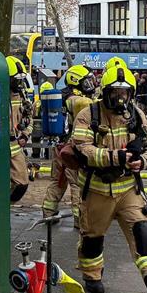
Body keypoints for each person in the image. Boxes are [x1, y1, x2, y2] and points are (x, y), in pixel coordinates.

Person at [65, 65, 147, 293]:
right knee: (92, 237)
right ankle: (92, 275)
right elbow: (83, 148)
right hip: (97, 189)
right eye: (116, 93)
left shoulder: (137, 115)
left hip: (128, 188)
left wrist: (143, 161)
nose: (121, 98)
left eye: (125, 93)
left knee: (143, 230)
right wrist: (113, 157)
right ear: (105, 91)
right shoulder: (88, 115)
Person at [42, 64, 95, 227]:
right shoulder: (76, 100)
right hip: (71, 148)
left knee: (57, 181)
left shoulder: (61, 97)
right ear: (77, 81)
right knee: (77, 183)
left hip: (59, 146)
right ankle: (80, 219)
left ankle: (48, 212)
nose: (90, 84)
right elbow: (89, 106)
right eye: (87, 81)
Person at [8, 56, 32, 202]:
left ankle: (4, 210)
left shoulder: (21, 95)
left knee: (21, 184)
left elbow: (28, 118)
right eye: (16, 79)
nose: (20, 83)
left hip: (14, 145)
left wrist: (25, 135)